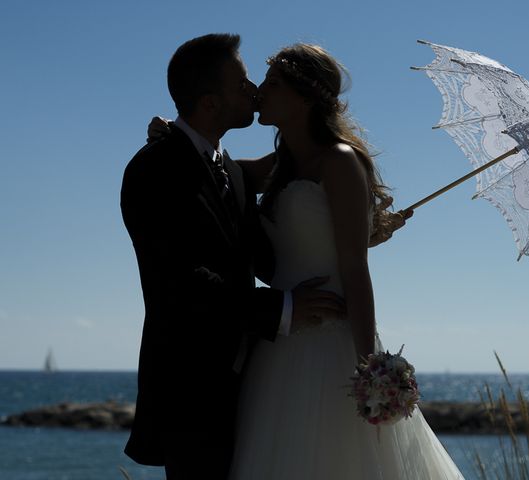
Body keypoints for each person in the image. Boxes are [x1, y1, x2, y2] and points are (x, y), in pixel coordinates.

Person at [223, 44, 464, 479]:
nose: (261, 91)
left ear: (305, 97)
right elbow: (220, 170)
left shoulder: (340, 161)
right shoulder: (283, 164)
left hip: (328, 339)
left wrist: (370, 367)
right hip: (279, 340)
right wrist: (175, 139)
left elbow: (354, 267)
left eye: (273, 83)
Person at [120, 34, 346, 479]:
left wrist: (347, 232)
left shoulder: (233, 174)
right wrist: (283, 308)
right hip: (192, 394)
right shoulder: (154, 170)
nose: (253, 90)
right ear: (209, 103)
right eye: (242, 84)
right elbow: (182, 282)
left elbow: (267, 257)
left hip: (258, 384)